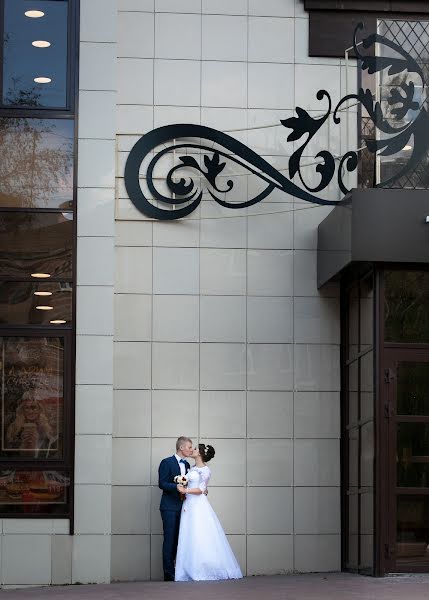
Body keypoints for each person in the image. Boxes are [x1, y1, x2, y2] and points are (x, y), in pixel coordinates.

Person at [175, 443, 243, 581]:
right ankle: (190, 568)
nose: (192, 450)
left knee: (200, 532)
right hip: (189, 503)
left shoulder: (205, 470)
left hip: (198, 505)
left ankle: (204, 568)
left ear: (199, 453)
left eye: (194, 449)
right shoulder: (192, 468)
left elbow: (201, 489)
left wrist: (185, 490)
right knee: (190, 533)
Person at [158, 436, 193, 581]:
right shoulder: (166, 462)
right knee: (170, 539)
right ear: (181, 448)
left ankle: (178, 570)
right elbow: (161, 483)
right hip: (169, 507)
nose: (191, 450)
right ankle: (169, 573)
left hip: (184, 508)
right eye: (189, 447)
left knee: (181, 540)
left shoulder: (188, 465)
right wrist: (176, 487)